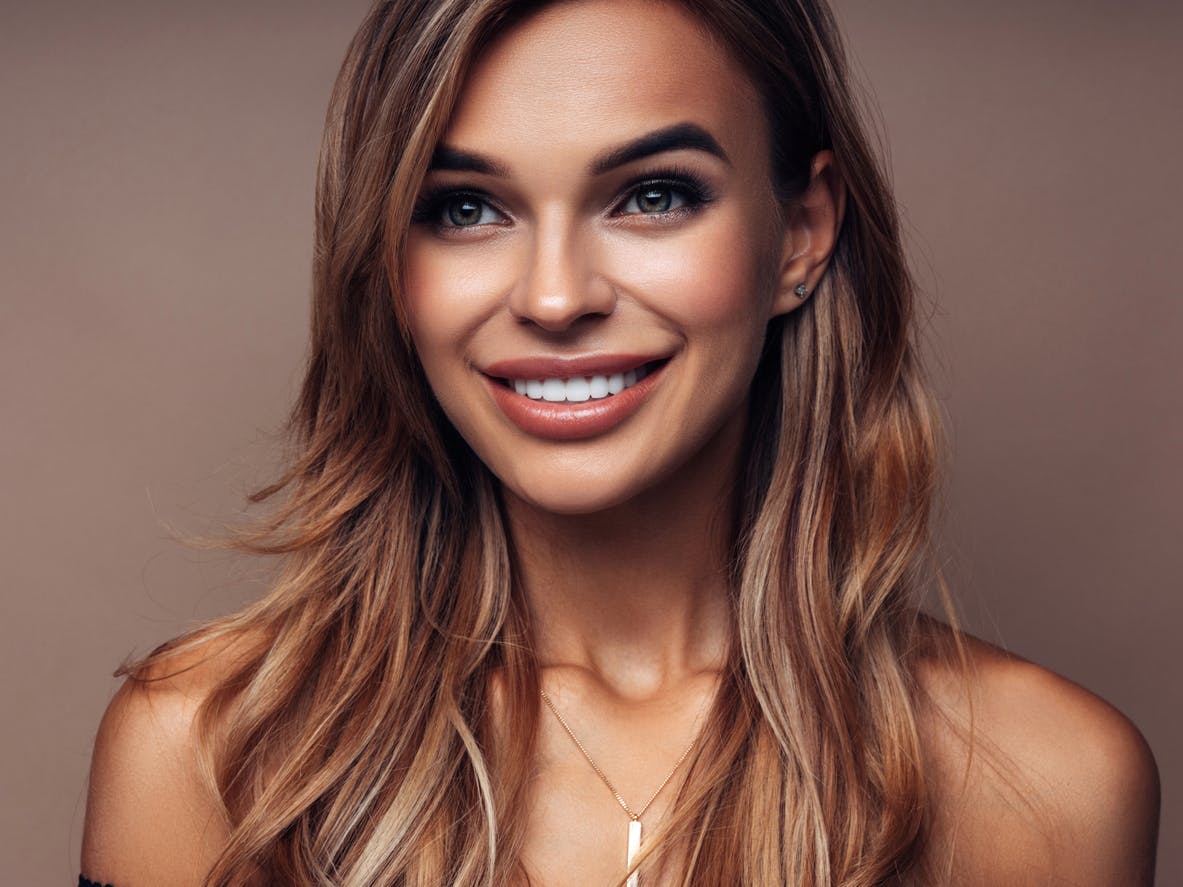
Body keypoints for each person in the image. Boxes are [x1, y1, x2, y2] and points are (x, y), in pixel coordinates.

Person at [80, 0, 1160, 884]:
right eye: (464, 207)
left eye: (650, 196)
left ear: (801, 233)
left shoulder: (1047, 786)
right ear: (388, 263)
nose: (554, 296)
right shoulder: (210, 753)